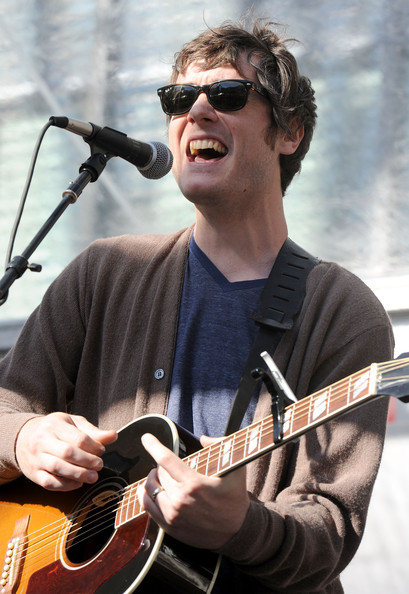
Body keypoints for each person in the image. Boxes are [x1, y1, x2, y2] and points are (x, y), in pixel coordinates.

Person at [0, 17, 394, 594]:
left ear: (291, 133)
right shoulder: (104, 271)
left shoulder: (343, 311)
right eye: (180, 97)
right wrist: (25, 439)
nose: (197, 111)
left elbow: (328, 535)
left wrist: (240, 526)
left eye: (228, 95)